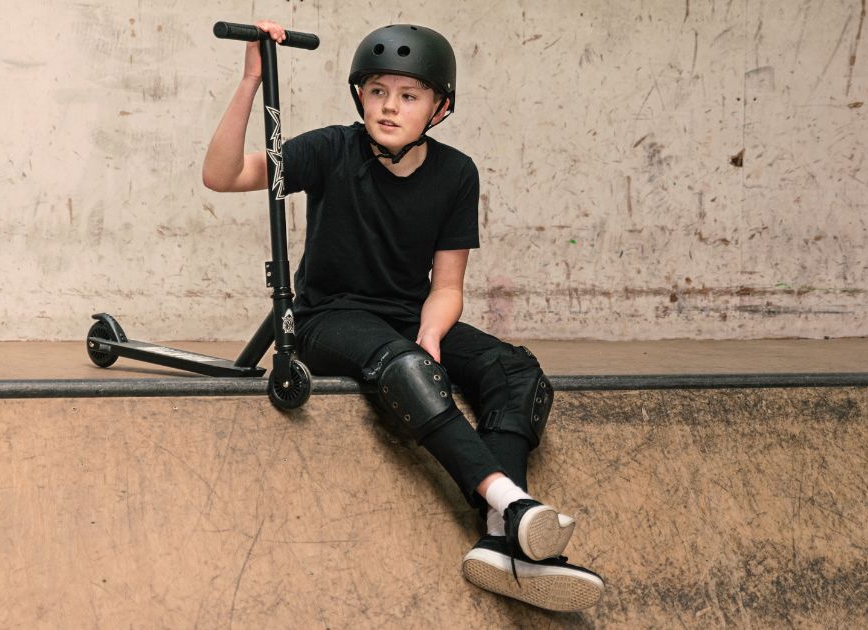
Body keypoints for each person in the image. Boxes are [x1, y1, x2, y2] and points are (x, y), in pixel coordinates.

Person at [202, 20, 604, 612]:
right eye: (377, 91)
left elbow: (447, 286)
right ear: (359, 96)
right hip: (327, 320)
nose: (390, 107)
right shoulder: (329, 150)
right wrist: (249, 84)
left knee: (515, 370)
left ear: (439, 108)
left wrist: (433, 333)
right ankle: (510, 505)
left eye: (409, 95)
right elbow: (223, 174)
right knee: (405, 364)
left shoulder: (455, 173)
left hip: (406, 317)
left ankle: (501, 547)